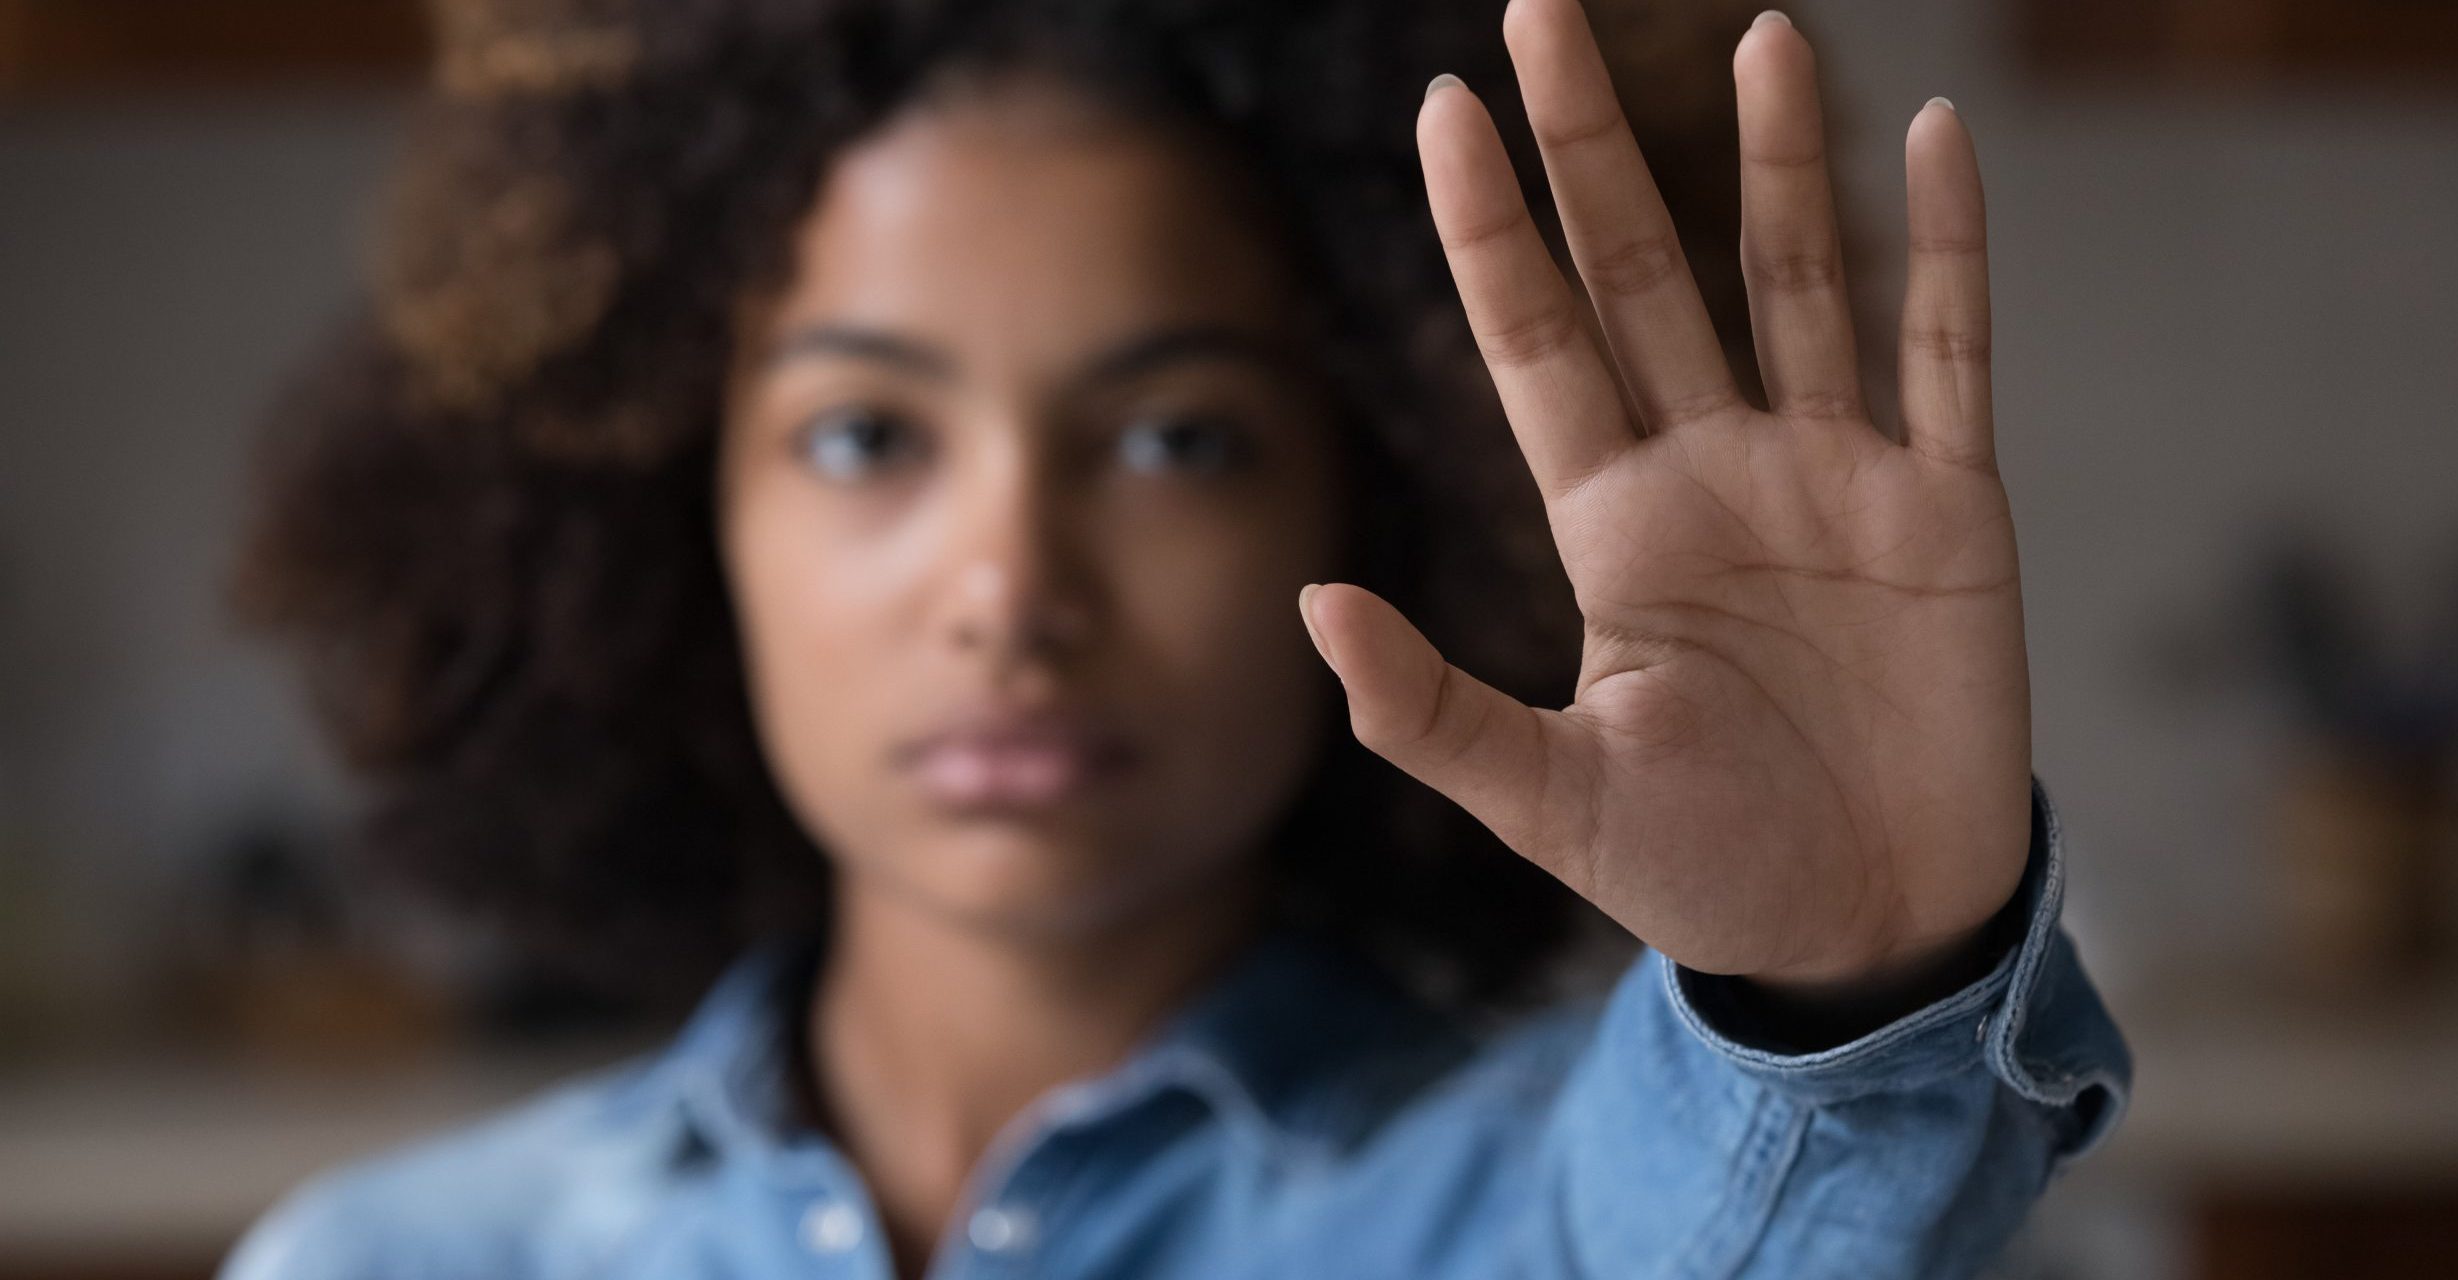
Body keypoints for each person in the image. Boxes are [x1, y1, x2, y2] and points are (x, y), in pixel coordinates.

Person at [220, 0, 2129, 1275]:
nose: (1011, 587)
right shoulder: (389, 1263)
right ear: (669, 512)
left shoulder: (1557, 1209)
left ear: (1374, 491)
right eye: (866, 435)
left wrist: (1851, 991)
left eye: (1174, 438)